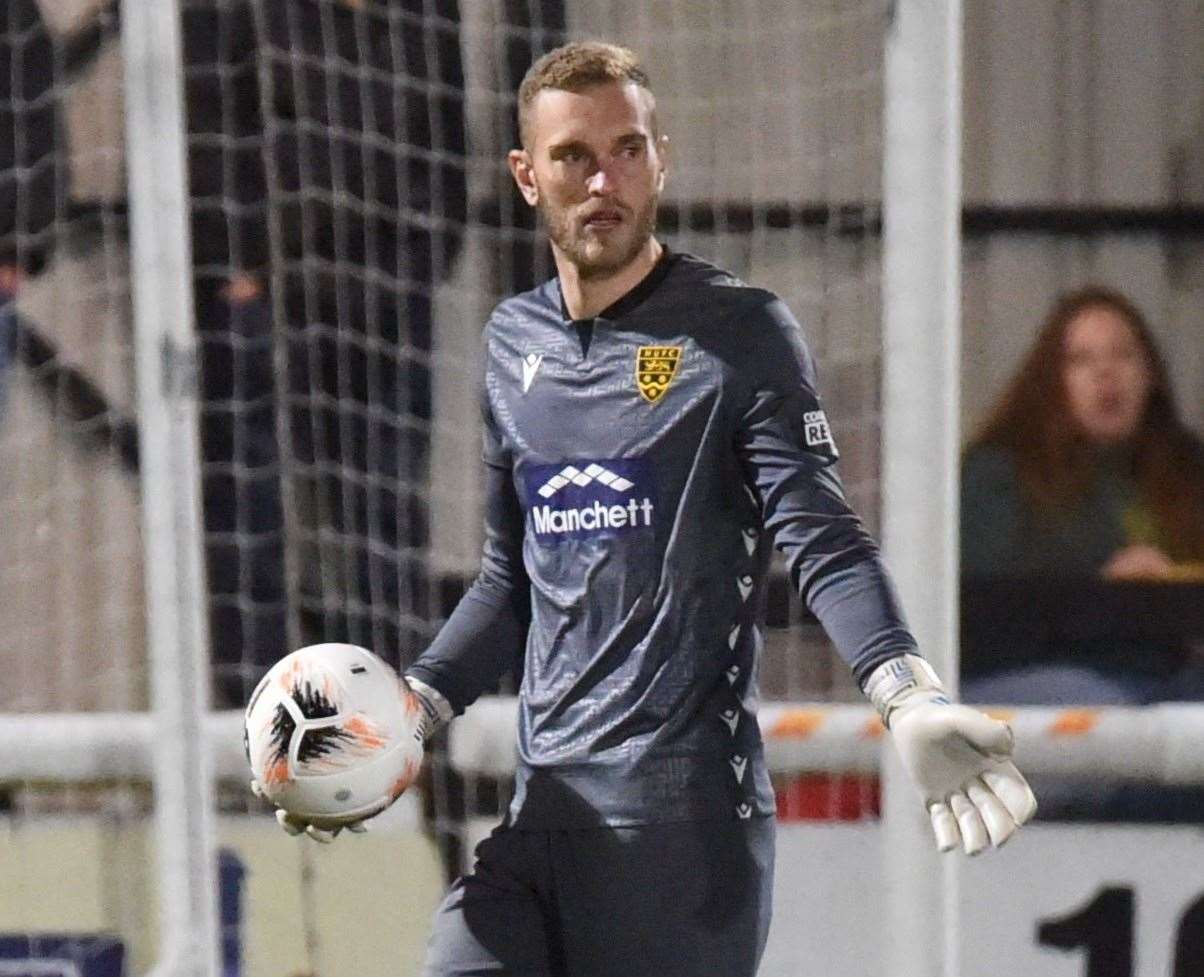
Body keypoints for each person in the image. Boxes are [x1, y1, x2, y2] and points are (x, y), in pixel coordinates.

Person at [253, 42, 1037, 977]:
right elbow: (512, 582)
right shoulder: (513, 344)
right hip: (543, 818)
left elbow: (821, 537)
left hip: (686, 834)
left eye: (627, 150)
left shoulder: (741, 333)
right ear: (525, 175)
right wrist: (410, 712)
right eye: (573, 156)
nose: (603, 180)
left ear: (661, 158)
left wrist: (905, 694)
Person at [180, 0, 468, 706]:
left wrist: (419, 262)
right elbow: (214, 133)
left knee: (387, 515)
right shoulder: (238, 18)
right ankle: (255, 718)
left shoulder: (424, 17)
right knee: (254, 511)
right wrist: (240, 270)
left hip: (388, 291)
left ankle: (390, 715)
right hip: (273, 291)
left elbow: (448, 147)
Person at [960, 286, 1204, 706]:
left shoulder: (1184, 467)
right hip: (1038, 673)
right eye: (1081, 360)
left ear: (1150, 375)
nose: (1106, 373)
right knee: (1100, 708)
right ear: (1050, 382)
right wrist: (1103, 584)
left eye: (1123, 355)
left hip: (1162, 676)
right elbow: (985, 604)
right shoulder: (999, 472)